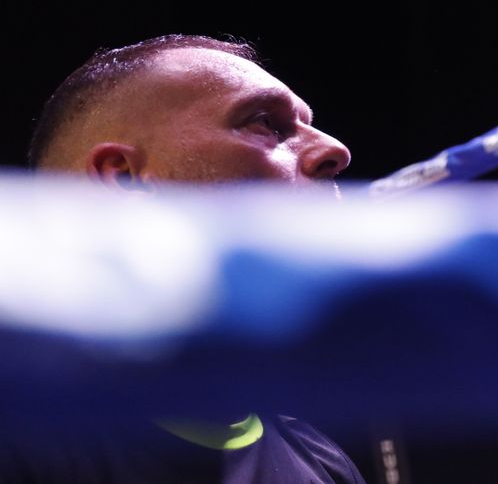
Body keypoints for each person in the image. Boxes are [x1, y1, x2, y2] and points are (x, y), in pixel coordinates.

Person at [14, 34, 367, 484]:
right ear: (124, 180)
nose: (336, 150)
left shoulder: (324, 463)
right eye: (265, 123)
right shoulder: (22, 440)